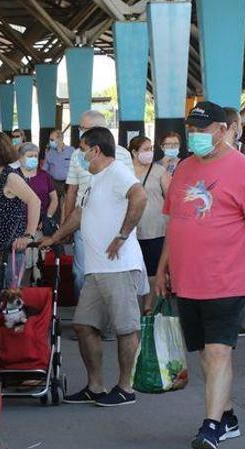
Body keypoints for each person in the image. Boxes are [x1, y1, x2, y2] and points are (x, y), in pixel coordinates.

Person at [155, 101, 245, 449]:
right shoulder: (184, 169)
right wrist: (162, 269)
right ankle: (227, 414)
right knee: (205, 353)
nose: (194, 136)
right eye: (191, 129)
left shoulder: (243, 170)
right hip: (188, 280)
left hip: (229, 278)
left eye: (201, 130)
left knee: (219, 350)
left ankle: (210, 428)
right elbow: (176, 222)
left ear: (222, 131)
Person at [41, 127, 148, 407]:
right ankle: (95, 386)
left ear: (96, 150)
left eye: (83, 148)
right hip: (96, 268)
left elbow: (140, 197)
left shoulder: (117, 173)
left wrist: (123, 234)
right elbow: (79, 213)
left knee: (126, 328)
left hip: (118, 266)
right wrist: (55, 237)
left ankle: (126, 387)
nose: (79, 153)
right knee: (83, 325)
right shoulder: (96, 178)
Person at [64, 110, 134, 302]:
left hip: (113, 224)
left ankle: (105, 316)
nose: (80, 131)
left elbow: (133, 193)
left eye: (83, 128)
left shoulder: (122, 155)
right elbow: (71, 191)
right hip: (83, 222)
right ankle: (86, 313)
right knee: (81, 272)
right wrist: (65, 226)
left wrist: (126, 230)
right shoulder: (78, 155)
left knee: (110, 271)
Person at [0, 131, 41, 310]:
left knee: (9, 301)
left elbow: (34, 201)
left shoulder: (10, 177)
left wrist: (29, 234)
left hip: (10, 250)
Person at [129, 135, 170, 314]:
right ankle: (130, 305)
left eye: (150, 148)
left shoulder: (160, 171)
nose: (149, 153)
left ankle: (147, 306)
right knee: (133, 269)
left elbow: (171, 198)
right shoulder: (125, 171)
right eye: (145, 150)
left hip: (156, 229)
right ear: (134, 152)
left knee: (153, 270)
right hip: (131, 229)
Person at [18, 142, 58, 284]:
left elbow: (54, 199)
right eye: (30, 156)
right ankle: (19, 292)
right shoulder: (14, 177)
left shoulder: (44, 176)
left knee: (38, 260)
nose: (33, 158)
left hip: (40, 226)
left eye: (35, 155)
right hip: (20, 226)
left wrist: (46, 217)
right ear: (21, 157)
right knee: (22, 262)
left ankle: (37, 290)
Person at [44, 129, 74, 215]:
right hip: (54, 182)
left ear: (60, 139)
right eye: (50, 139)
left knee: (67, 206)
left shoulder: (71, 151)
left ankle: (65, 224)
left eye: (52, 140)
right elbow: (45, 168)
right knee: (54, 205)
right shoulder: (50, 152)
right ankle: (55, 224)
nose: (50, 142)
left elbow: (77, 167)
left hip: (68, 183)